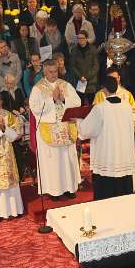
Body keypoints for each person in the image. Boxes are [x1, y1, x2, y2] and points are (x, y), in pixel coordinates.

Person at [29, 59, 81, 200]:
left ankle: (69, 188)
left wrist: (64, 100)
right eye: (50, 72)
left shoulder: (65, 85)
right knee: (53, 162)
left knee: (67, 159)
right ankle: (53, 191)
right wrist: (51, 100)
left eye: (55, 71)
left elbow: (77, 103)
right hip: (48, 130)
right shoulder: (38, 88)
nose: (53, 74)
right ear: (44, 72)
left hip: (65, 129)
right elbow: (35, 109)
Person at [79, 76, 135, 200]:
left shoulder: (100, 108)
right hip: (123, 157)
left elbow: (86, 130)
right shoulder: (127, 107)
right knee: (123, 198)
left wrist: (78, 121)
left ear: (104, 89)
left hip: (107, 158)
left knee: (106, 197)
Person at [69, 30, 99, 103]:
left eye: (82, 38)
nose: (81, 40)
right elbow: (72, 66)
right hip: (79, 82)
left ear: (86, 38)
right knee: (80, 103)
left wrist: (87, 77)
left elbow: (96, 66)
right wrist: (80, 77)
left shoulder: (93, 49)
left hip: (91, 81)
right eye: (79, 38)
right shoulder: (74, 50)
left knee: (92, 104)